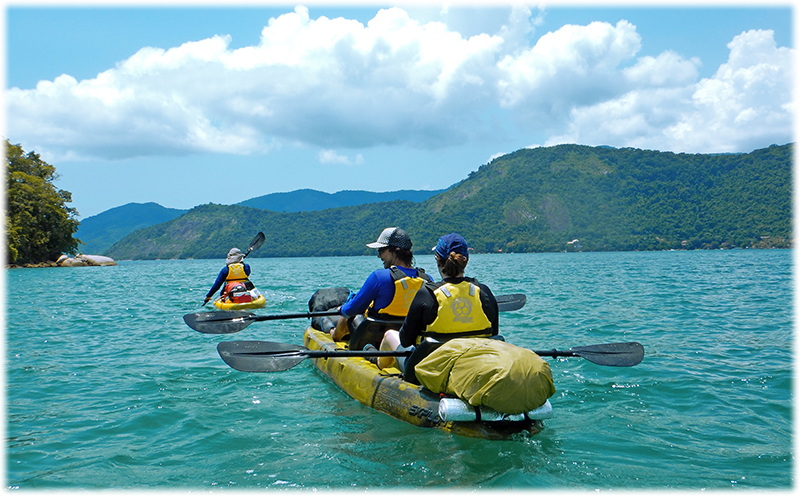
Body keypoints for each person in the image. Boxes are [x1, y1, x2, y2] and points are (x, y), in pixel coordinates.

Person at [377, 233, 499, 372]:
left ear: (437, 259)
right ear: (466, 259)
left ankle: (377, 368)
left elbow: (405, 340)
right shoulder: (483, 292)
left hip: (429, 371)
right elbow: (493, 333)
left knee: (390, 335)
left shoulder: (427, 294)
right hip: (471, 366)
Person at [330, 227, 432, 341]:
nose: (379, 256)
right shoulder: (428, 280)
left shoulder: (379, 277)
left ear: (395, 250)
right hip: (411, 341)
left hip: (375, 341)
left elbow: (351, 310)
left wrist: (342, 309)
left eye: (381, 251)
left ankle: (334, 334)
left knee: (352, 316)